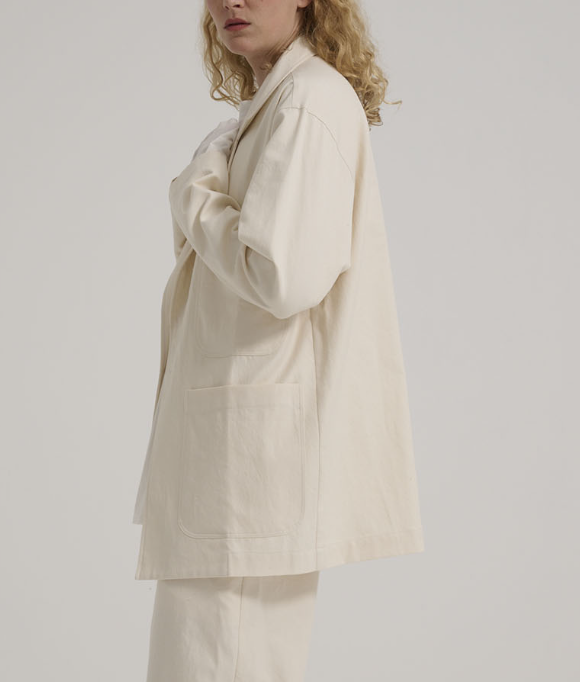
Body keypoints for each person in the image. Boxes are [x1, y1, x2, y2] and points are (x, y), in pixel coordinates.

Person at [133, 1, 425, 680]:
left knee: (215, 659)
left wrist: (195, 192)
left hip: (249, 465)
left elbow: (281, 274)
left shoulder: (307, 103)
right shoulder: (283, 102)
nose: (230, 2)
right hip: (241, 458)